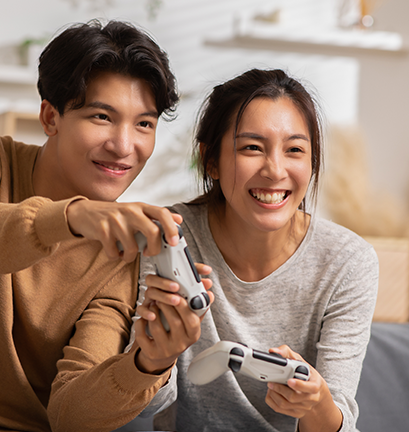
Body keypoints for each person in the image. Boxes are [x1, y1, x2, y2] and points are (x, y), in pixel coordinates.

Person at [0, 19, 212, 432]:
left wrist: (148, 362)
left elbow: (71, 415)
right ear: (50, 117)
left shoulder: (122, 254)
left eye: (144, 124)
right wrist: (70, 217)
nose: (124, 146)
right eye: (102, 116)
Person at [132, 69, 379, 432]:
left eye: (294, 150)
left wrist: (315, 401)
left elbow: (339, 421)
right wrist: (157, 354)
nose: (275, 170)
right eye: (251, 147)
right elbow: (139, 410)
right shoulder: (167, 235)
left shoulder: (347, 261)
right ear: (210, 160)